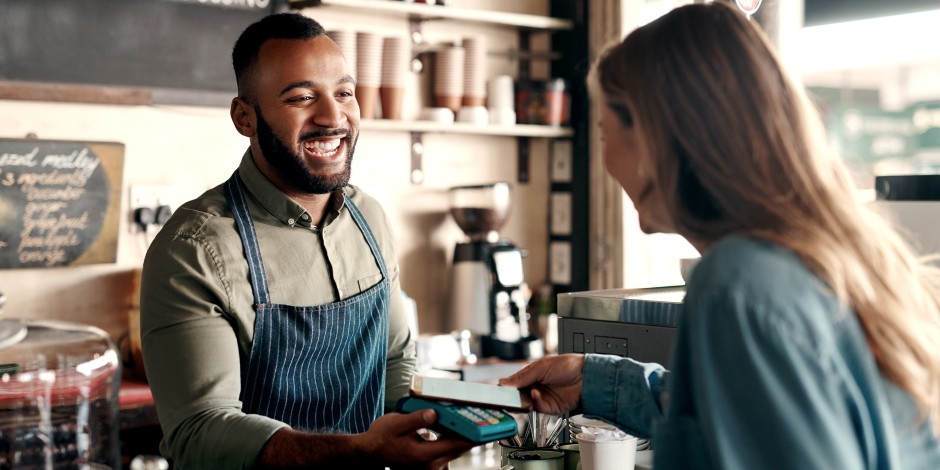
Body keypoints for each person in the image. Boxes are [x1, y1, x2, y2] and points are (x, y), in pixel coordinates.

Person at [500, 3, 940, 469]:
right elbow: (754, 415)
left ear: (652, 141)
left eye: (607, 136)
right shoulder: (838, 257)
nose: (607, 164)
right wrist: (592, 380)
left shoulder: (735, 284)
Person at [139, 12, 474, 469]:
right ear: (245, 117)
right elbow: (200, 431)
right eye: (301, 97)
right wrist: (360, 451)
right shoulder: (196, 249)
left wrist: (418, 433)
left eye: (344, 93)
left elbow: (396, 357)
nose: (333, 117)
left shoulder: (369, 218)